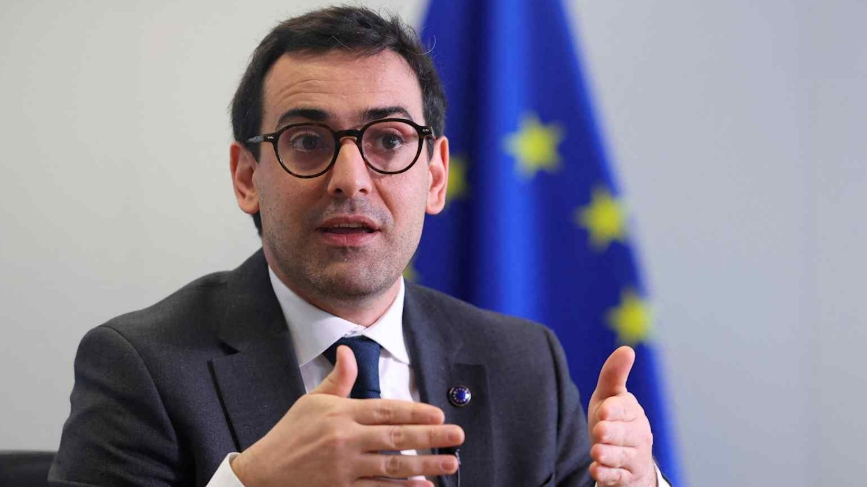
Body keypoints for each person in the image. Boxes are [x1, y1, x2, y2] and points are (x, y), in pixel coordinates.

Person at [50, 6, 669, 487]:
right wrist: (252, 482)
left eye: (389, 140)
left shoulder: (525, 364)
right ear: (246, 177)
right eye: (307, 141)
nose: (350, 179)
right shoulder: (142, 365)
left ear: (434, 177)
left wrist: (642, 480)